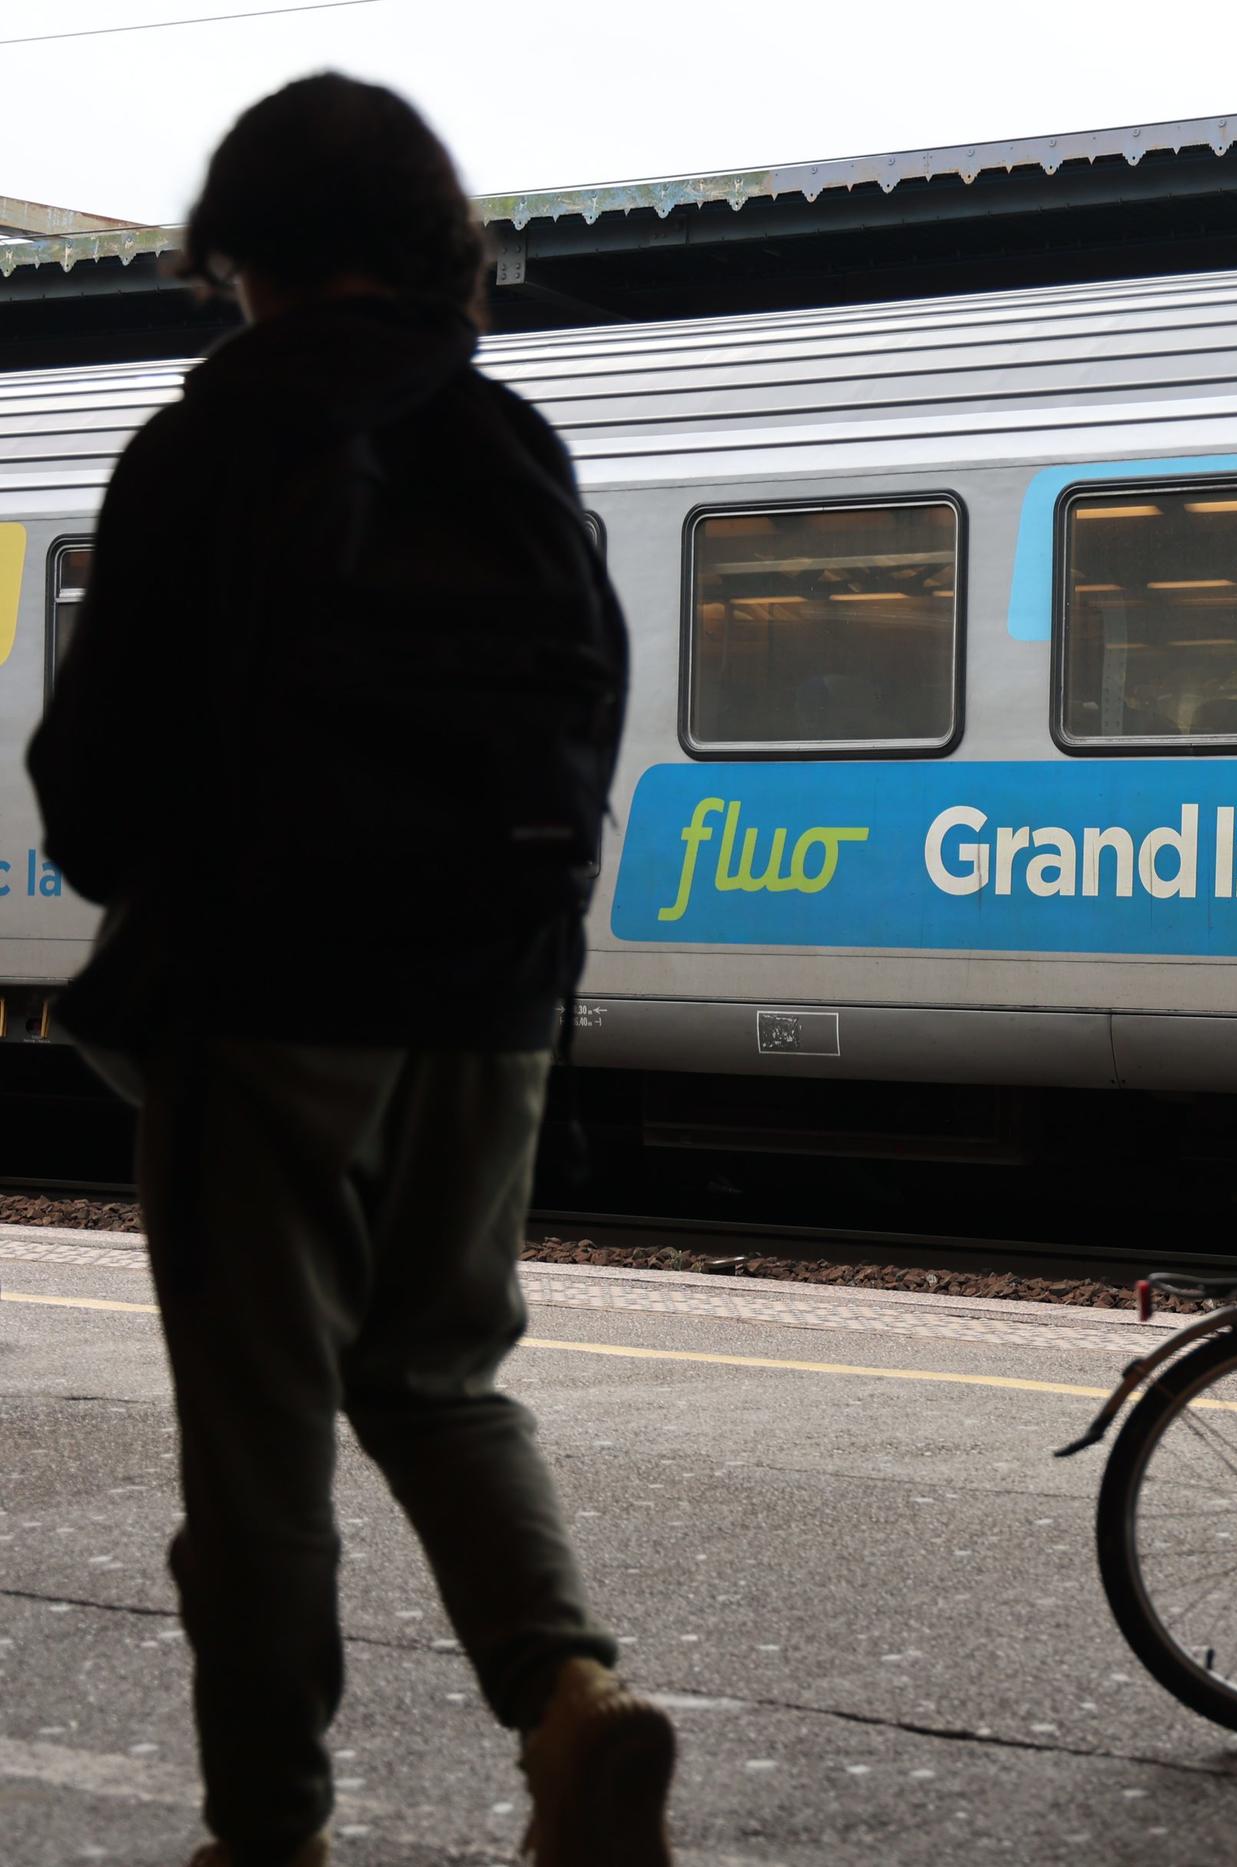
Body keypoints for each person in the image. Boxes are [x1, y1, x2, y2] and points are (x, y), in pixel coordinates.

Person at [25, 76, 671, 1867]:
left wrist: (166, 881)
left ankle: (270, 1831)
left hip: (269, 999)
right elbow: (593, 720)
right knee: (445, 1374)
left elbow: (88, 781)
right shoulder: (510, 438)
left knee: (261, 1443)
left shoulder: (211, 444)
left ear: (245, 251)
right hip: (491, 1002)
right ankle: (573, 1702)